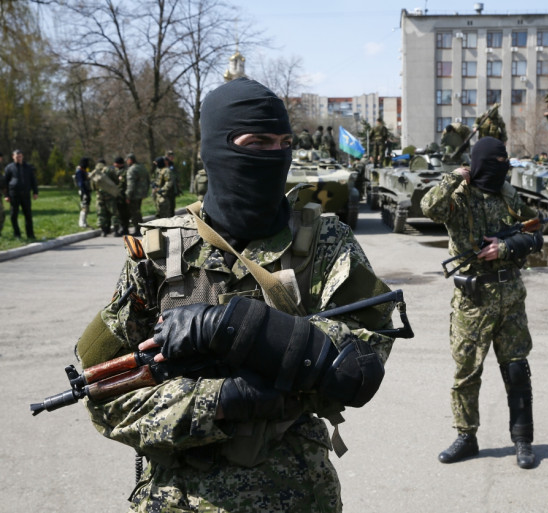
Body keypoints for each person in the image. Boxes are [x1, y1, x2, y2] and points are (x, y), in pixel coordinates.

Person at [74, 77, 396, 512]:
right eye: (257, 141)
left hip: (299, 495)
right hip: (178, 499)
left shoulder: (325, 241)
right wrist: (220, 401)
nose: (274, 155)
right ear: (216, 148)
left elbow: (361, 365)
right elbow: (105, 396)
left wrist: (241, 329)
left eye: (283, 142)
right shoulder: (158, 252)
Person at [421, 136, 543, 470]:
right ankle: (466, 437)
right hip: (472, 301)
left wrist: (507, 247)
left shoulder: (508, 194)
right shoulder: (459, 197)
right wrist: (455, 176)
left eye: (505, 163)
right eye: (494, 163)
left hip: (511, 298)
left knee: (517, 370)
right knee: (466, 373)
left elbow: (536, 232)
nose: (500, 169)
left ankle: (523, 440)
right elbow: (429, 207)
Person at [4, 149, 38, 239]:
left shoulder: (28, 167)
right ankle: (17, 234)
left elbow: (33, 180)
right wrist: (6, 195)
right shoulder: (9, 168)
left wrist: (35, 192)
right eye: (17, 157)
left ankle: (30, 234)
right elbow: (5, 182)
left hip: (26, 194)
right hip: (14, 194)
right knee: (13, 215)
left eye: (20, 156)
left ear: (22, 156)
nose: (19, 158)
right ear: (13, 157)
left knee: (28, 215)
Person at [89, 159, 121, 236]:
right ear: (104, 164)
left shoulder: (94, 172)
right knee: (114, 213)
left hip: (99, 196)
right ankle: (116, 231)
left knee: (101, 214)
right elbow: (116, 181)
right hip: (110, 195)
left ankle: (104, 231)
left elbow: (92, 187)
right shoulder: (109, 170)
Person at [125, 153, 149, 236]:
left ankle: (138, 229)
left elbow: (130, 184)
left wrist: (128, 196)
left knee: (135, 213)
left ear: (130, 160)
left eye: (127, 160)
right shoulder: (142, 167)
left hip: (134, 195)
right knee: (138, 211)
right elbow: (148, 180)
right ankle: (139, 228)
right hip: (141, 193)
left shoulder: (132, 169)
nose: (126, 162)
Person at [112, 157, 129, 236]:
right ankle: (122, 228)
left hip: (123, 195)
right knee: (119, 213)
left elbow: (123, 184)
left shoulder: (125, 172)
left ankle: (125, 228)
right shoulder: (115, 171)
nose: (114, 164)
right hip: (117, 195)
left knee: (124, 213)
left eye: (115, 163)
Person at [75, 157, 92, 228]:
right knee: (84, 206)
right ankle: (81, 222)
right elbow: (81, 183)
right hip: (83, 191)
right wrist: (85, 192)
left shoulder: (83, 171)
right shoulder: (79, 172)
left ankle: (84, 221)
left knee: (86, 206)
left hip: (86, 191)